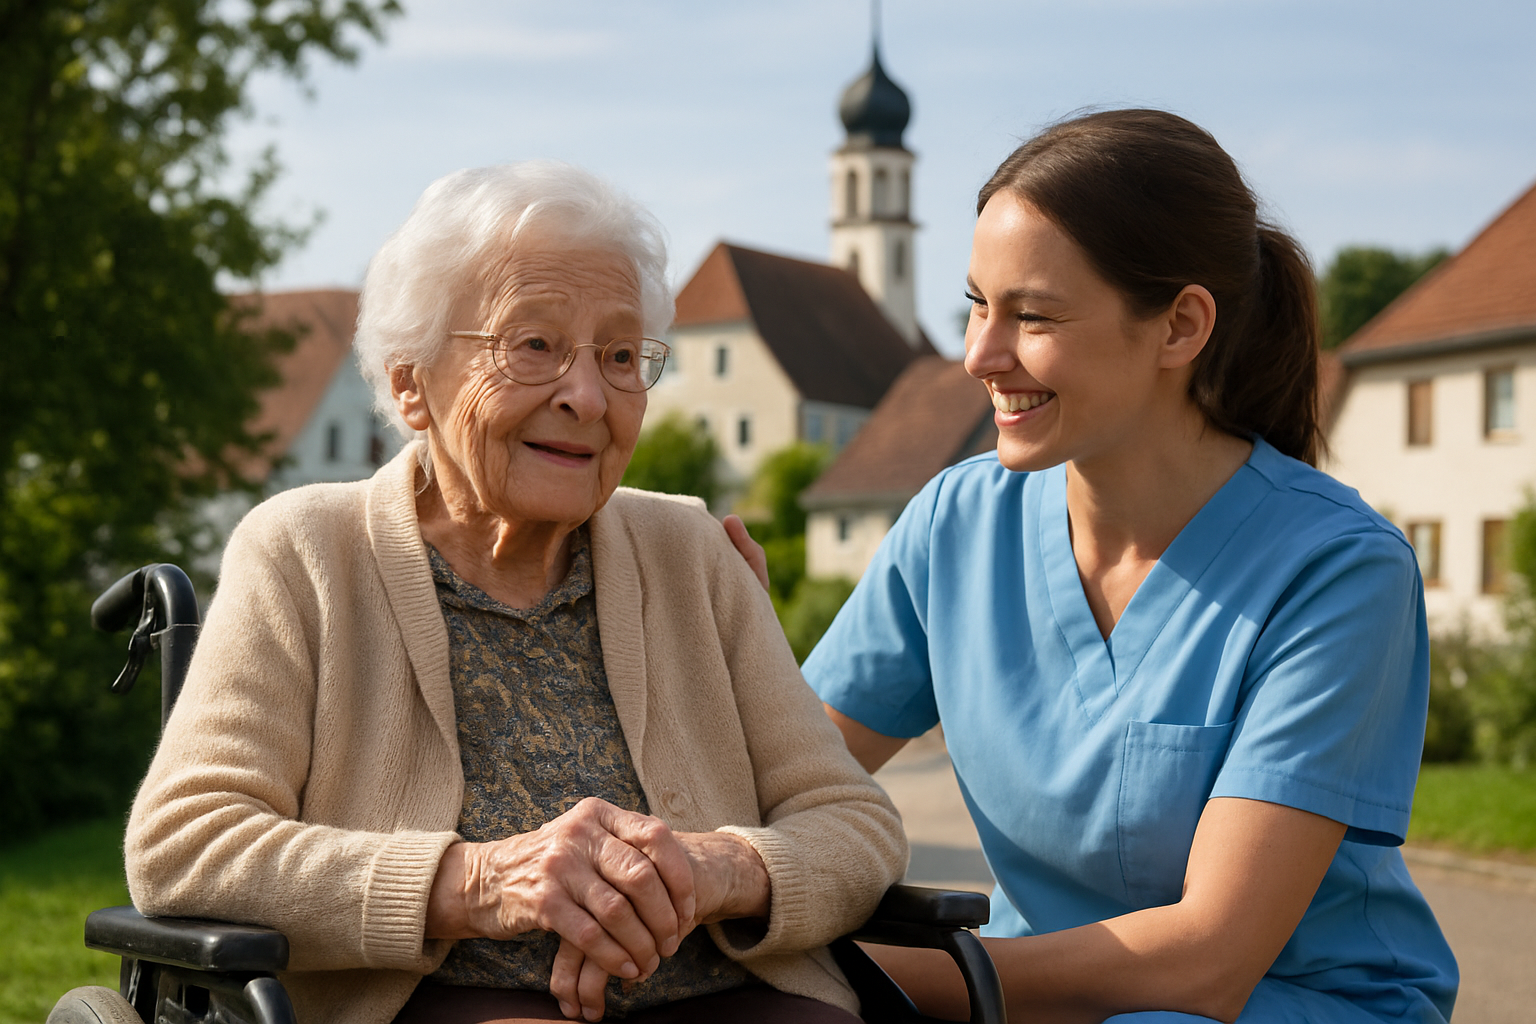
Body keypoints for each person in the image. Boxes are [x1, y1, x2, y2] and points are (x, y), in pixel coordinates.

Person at [125, 162, 905, 1024]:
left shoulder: (694, 553)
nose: (587, 396)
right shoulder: (306, 551)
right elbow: (187, 846)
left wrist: (716, 870)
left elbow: (854, 824)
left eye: (619, 356)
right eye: (533, 346)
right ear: (409, 382)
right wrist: (482, 883)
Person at [801, 110, 1458, 1024]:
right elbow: (789, 781)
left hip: (1285, 1004)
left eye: (1031, 316)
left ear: (1181, 326)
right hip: (1039, 1004)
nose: (980, 356)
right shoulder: (958, 522)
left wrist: (863, 982)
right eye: (976, 306)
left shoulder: (1340, 573)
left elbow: (1206, 964)